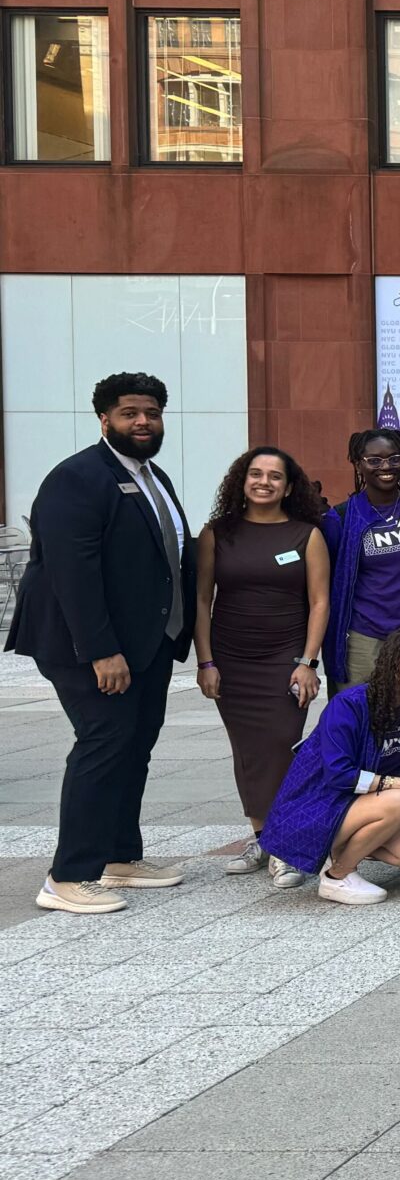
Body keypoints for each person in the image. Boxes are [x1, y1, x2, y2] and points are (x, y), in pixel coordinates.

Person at [8, 373, 198, 914]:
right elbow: (73, 572)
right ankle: (69, 875)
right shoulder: (78, 478)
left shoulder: (150, 474)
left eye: (152, 413)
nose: (142, 422)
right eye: (129, 413)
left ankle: (119, 855)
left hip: (147, 644)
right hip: (88, 647)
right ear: (104, 420)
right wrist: (100, 650)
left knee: (134, 745)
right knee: (104, 742)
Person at [195, 447, 330, 883]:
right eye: (256, 474)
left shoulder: (305, 535)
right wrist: (206, 661)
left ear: (289, 487)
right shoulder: (217, 533)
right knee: (249, 752)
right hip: (231, 660)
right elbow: (201, 601)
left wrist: (308, 662)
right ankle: (262, 835)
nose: (264, 482)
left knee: (281, 744)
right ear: (242, 481)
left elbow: (319, 602)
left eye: (275, 476)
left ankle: (284, 841)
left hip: (285, 659)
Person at [259, 626, 400, 904]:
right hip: (316, 807)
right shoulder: (350, 704)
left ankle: (335, 851)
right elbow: (339, 776)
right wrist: (398, 783)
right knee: (399, 799)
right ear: (391, 659)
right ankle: (338, 877)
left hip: (359, 808)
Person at [322, 428, 400, 692]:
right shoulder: (339, 520)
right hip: (363, 640)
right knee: (359, 719)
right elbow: (328, 586)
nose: (386, 467)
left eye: (394, 459)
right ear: (357, 464)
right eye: (374, 460)